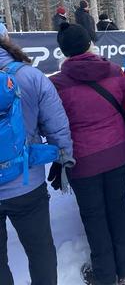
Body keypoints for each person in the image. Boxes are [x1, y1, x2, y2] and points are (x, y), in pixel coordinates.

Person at [49, 23, 125, 285]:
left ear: (63, 51)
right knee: (118, 208)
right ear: (89, 44)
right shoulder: (115, 71)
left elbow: (52, 123)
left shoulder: (56, 85)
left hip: (83, 161)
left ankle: (104, 274)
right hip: (118, 153)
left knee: (94, 216)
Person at [0, 36, 74, 285]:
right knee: (40, 250)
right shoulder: (30, 76)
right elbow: (57, 123)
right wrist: (63, 157)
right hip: (26, 181)